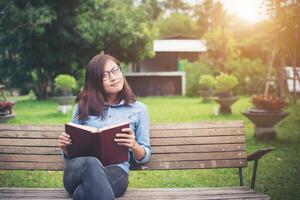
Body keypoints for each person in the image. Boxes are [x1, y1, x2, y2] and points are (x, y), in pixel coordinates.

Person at [57, 54, 151, 200]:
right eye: (105, 76)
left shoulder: (139, 109)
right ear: (95, 82)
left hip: (116, 171)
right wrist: (66, 147)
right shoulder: (82, 106)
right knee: (91, 163)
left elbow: (145, 156)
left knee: (81, 194)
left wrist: (134, 145)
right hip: (78, 168)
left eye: (115, 70)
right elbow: (70, 154)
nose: (114, 77)